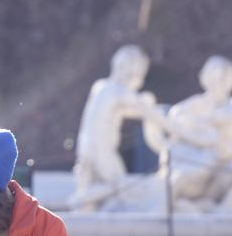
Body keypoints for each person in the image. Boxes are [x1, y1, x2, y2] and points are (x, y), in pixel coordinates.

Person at [159, 55, 232, 213]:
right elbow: (175, 115)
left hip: (231, 166)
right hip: (204, 167)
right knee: (182, 176)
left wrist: (195, 121)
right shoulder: (195, 104)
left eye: (225, 78)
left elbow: (222, 117)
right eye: (217, 78)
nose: (222, 83)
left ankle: (228, 208)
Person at [68, 45, 164, 211]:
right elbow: (149, 113)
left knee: (101, 199)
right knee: (121, 187)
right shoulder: (119, 91)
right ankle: (78, 199)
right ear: (132, 71)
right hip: (102, 151)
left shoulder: (101, 87)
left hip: (85, 148)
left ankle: (85, 203)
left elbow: (128, 110)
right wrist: (178, 126)